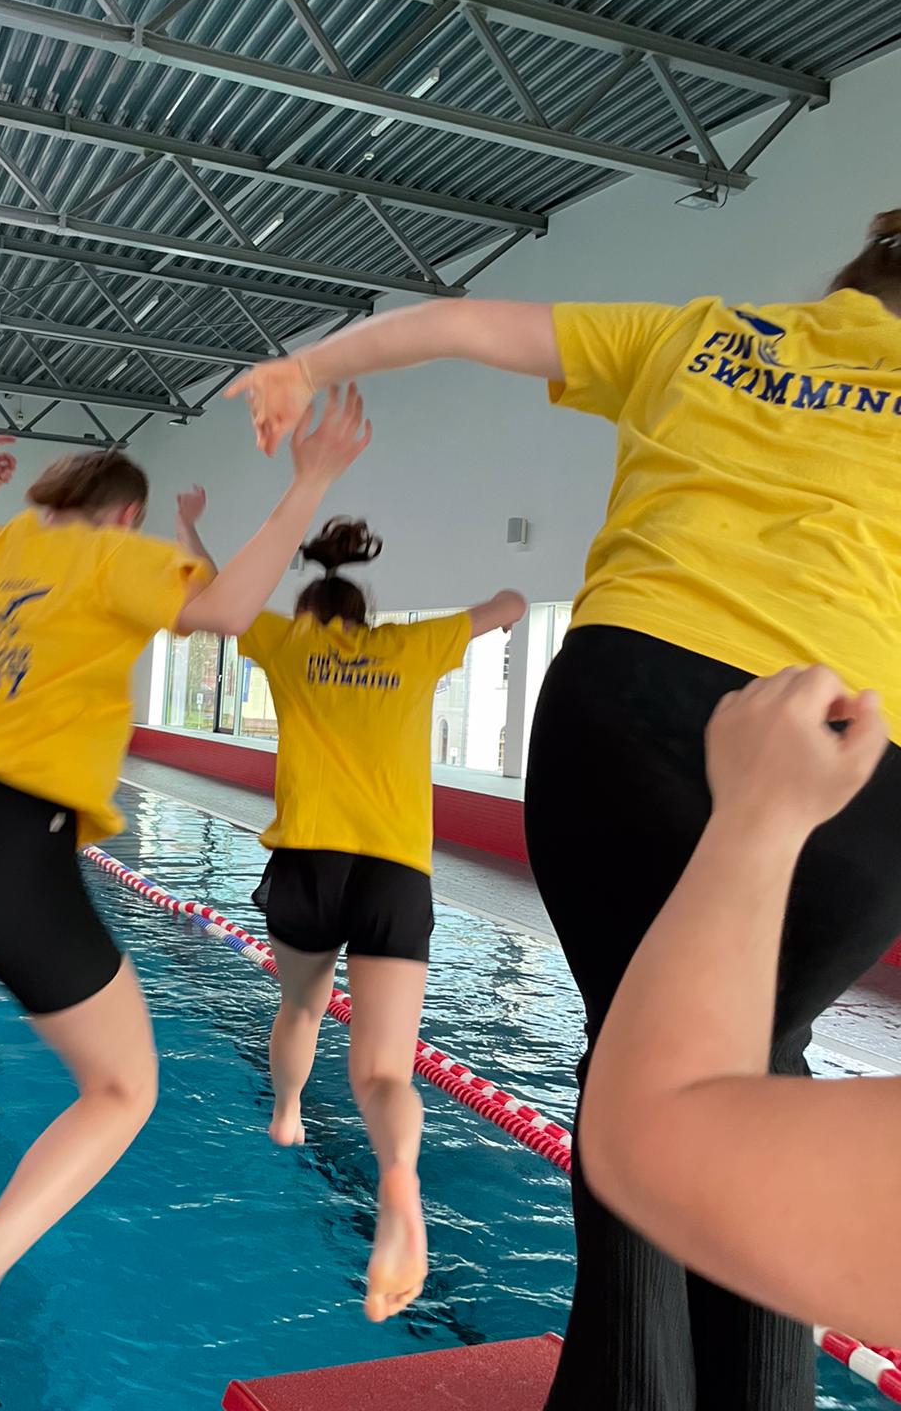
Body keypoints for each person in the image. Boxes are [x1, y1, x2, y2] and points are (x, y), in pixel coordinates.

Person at [226, 212, 901, 1410]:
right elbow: (493, 602)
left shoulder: (701, 333)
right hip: (856, 746)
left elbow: (461, 324)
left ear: (849, 279)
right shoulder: (411, 645)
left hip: (632, 706)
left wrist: (307, 366)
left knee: (640, 1058)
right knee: (763, 1060)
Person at [0, 387, 371, 1411]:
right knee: (124, 1089)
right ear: (126, 516)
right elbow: (228, 610)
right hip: (19, 851)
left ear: (43, 497)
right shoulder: (112, 557)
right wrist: (311, 480)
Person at [176, 488, 525, 1324]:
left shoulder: (287, 644)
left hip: (308, 863)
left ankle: (288, 1112)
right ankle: (399, 1180)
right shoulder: (415, 645)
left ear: (310, 612)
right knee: (384, 1072)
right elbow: (512, 603)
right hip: (395, 875)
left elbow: (216, 596)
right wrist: (501, 600)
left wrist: (190, 525)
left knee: (301, 1007)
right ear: (366, 614)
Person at [582, 665, 898, 1345]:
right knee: (777, 1057)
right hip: (877, 774)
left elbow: (655, 1142)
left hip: (647, 692)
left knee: (628, 1044)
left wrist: (761, 815)